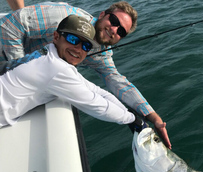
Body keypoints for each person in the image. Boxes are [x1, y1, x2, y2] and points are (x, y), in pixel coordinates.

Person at [2, 0, 172, 149]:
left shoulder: (98, 53)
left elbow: (115, 83)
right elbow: (10, 23)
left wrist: (152, 116)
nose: (114, 30)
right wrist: (18, 66)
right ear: (103, 14)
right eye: (113, 21)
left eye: (121, 32)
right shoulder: (67, 16)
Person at [0, 14, 146, 131]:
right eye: (73, 39)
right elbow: (99, 106)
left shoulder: (49, 55)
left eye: (86, 45)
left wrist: (128, 112)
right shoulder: (57, 68)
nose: (78, 49)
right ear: (56, 37)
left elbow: (97, 90)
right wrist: (133, 121)